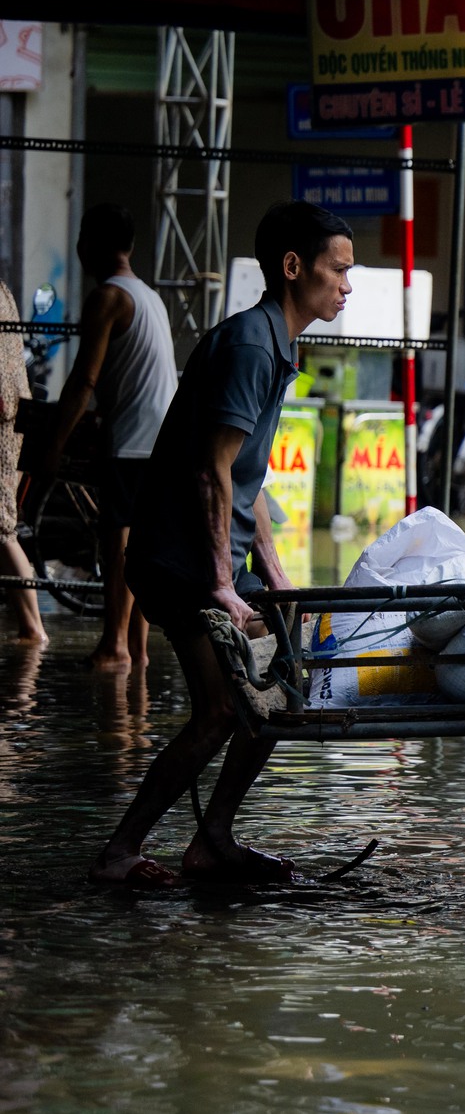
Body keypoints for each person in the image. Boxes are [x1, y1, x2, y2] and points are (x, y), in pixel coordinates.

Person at [89, 201, 352, 890]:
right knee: (220, 711)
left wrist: (274, 576)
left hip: (203, 560)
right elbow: (212, 467)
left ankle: (213, 840)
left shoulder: (274, 343)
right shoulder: (250, 344)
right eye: (337, 270)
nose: (345, 286)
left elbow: (246, 480)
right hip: (176, 560)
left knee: (276, 694)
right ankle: (120, 852)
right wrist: (222, 583)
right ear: (294, 267)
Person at [36, 204, 177, 671]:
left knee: (117, 543)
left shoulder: (108, 297)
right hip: (159, 440)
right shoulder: (149, 296)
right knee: (135, 547)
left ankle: (115, 645)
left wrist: (52, 448)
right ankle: (134, 651)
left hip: (133, 442)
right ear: (131, 247)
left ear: (89, 245)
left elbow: (83, 381)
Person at [0, 280, 45, 645]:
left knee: (2, 528)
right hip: (13, 415)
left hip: (3, 419)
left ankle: (33, 629)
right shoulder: (4, 291)